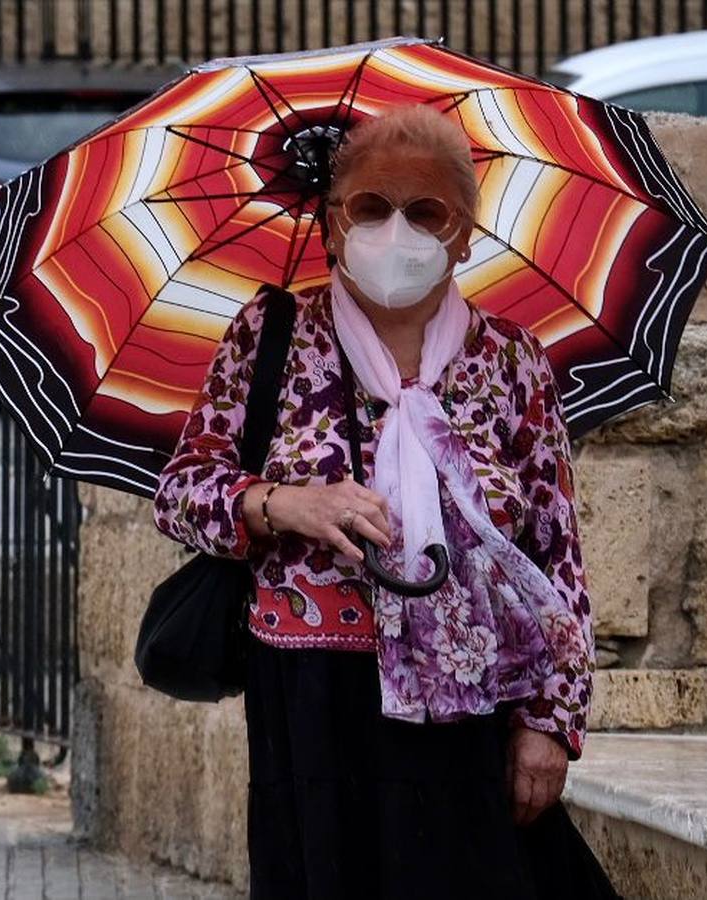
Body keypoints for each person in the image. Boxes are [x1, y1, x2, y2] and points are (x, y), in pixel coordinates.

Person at [152, 103, 616, 899]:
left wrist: (550, 724)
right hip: (311, 705)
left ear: (462, 235)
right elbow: (181, 493)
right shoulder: (271, 334)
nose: (394, 229)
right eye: (370, 206)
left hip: (471, 702)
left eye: (424, 211)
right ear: (333, 223)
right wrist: (284, 504)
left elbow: (555, 552)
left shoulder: (509, 360)